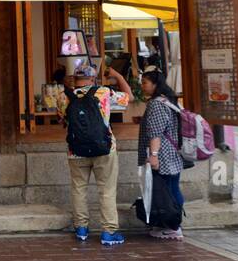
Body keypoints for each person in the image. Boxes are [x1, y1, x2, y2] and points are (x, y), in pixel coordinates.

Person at [57, 61, 126, 246]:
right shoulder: (103, 92)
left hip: (76, 150)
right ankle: (109, 232)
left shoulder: (64, 97)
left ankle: (81, 228)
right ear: (92, 78)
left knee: (79, 188)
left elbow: (62, 118)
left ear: (76, 78)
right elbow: (129, 97)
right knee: (106, 190)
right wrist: (118, 76)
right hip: (104, 148)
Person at [137, 69, 185, 240]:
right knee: (172, 188)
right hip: (171, 153)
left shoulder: (156, 104)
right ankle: (172, 224)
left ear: (155, 84)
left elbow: (156, 132)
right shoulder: (168, 101)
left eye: (145, 83)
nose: (142, 86)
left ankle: (173, 226)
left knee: (167, 190)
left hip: (162, 154)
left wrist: (154, 155)